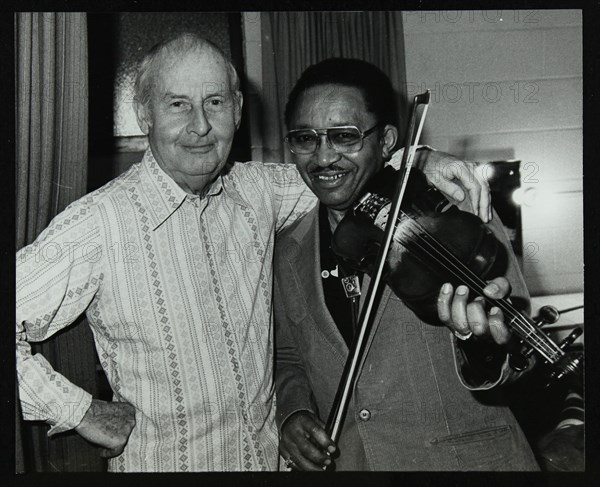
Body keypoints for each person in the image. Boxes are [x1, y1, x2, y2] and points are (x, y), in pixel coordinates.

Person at [16, 34, 491, 472]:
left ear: (238, 110)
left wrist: (420, 159)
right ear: (145, 114)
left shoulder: (260, 190)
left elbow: (345, 172)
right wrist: (80, 411)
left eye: (215, 103)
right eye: (178, 104)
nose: (200, 126)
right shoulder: (98, 222)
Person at [273, 58, 540, 471]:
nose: (323, 157)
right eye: (305, 138)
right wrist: (293, 412)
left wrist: (481, 346)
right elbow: (289, 356)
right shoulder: (288, 247)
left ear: (387, 143)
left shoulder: (455, 212)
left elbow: (518, 354)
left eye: (345, 137)